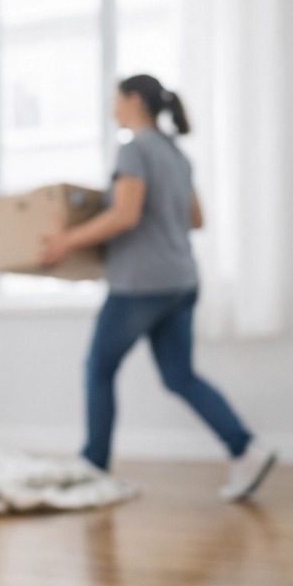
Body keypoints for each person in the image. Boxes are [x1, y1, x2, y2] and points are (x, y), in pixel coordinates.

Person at [40, 74, 276, 501]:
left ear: (134, 101)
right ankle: (245, 449)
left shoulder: (134, 149)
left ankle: (94, 465)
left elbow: (125, 215)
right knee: (180, 376)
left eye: (115, 100)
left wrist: (66, 242)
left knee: (99, 369)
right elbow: (196, 218)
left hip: (140, 284)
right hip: (182, 280)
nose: (112, 109)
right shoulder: (175, 153)